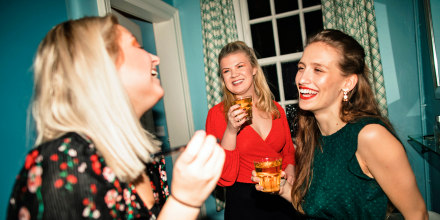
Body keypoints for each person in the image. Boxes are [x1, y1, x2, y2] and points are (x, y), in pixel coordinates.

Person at [7, 15, 225, 220]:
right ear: (101, 67)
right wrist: (185, 202)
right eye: (136, 45)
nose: (155, 58)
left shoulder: (141, 161)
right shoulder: (63, 166)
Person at [252, 29, 428, 219]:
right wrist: (284, 188)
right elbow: (317, 209)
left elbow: (417, 215)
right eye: (301, 67)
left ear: (348, 82)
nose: (302, 79)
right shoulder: (313, 134)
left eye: (318, 70)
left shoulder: (370, 136)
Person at [205, 41, 299, 219]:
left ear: (254, 68)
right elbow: (224, 177)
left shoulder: (275, 109)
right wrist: (231, 130)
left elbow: (288, 151)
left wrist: (291, 168)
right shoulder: (216, 114)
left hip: (281, 195)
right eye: (226, 71)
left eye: (240, 66)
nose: (234, 75)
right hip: (244, 203)